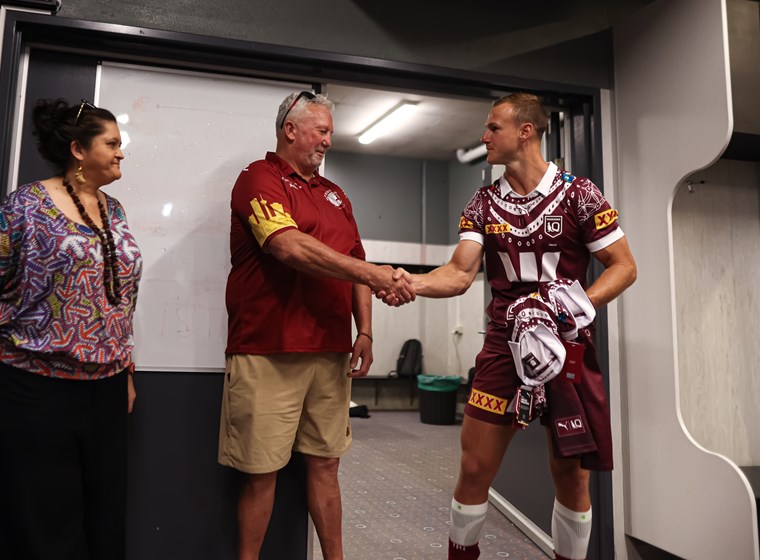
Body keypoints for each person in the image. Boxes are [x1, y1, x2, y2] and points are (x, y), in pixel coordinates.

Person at [380, 92, 637, 560]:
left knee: (571, 475)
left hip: (567, 347)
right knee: (474, 467)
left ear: (525, 131)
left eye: (493, 127)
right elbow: (459, 273)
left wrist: (569, 304)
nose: (484, 137)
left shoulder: (580, 194)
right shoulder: (483, 202)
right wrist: (411, 283)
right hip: (503, 346)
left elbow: (624, 267)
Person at [0, 98, 142, 560]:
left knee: (102, 519)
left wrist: (125, 370)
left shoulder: (116, 210)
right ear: (78, 150)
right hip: (33, 391)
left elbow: (120, 297)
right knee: (40, 527)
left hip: (102, 392)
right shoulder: (26, 204)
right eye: (112, 143)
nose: (121, 153)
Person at [218, 90, 414, 560]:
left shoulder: (336, 195)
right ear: (291, 129)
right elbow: (287, 247)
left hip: (329, 353)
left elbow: (355, 262)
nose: (328, 141)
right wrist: (370, 275)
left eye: (330, 132)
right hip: (268, 351)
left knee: (327, 466)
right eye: (321, 130)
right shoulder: (258, 178)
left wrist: (364, 330)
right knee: (260, 472)